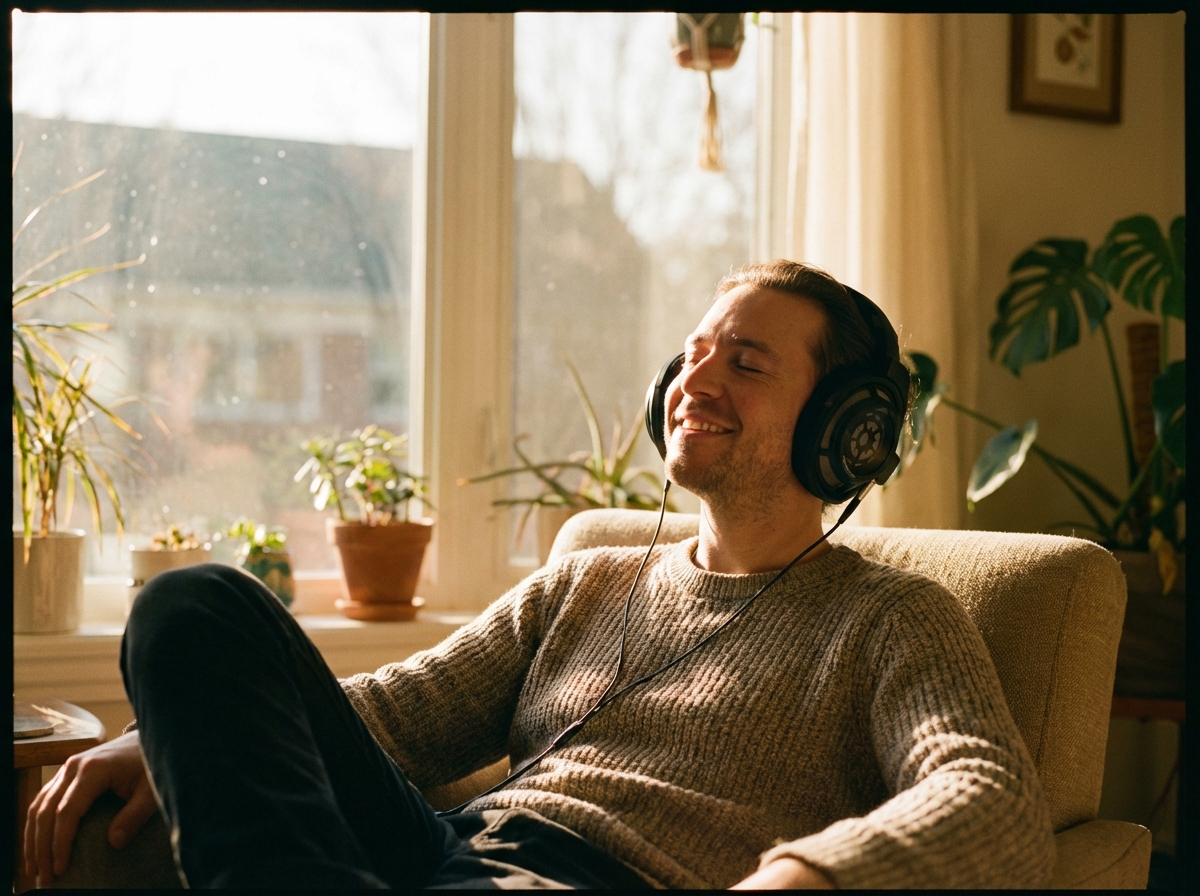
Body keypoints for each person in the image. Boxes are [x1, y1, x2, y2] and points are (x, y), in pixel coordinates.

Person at [25, 260, 1056, 889]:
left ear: (847, 428)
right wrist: (149, 737)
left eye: (746, 361)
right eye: (692, 356)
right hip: (441, 847)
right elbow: (394, 712)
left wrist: (808, 871)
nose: (696, 380)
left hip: (604, 881)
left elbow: (990, 792)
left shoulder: (890, 619)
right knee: (193, 603)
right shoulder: (590, 582)